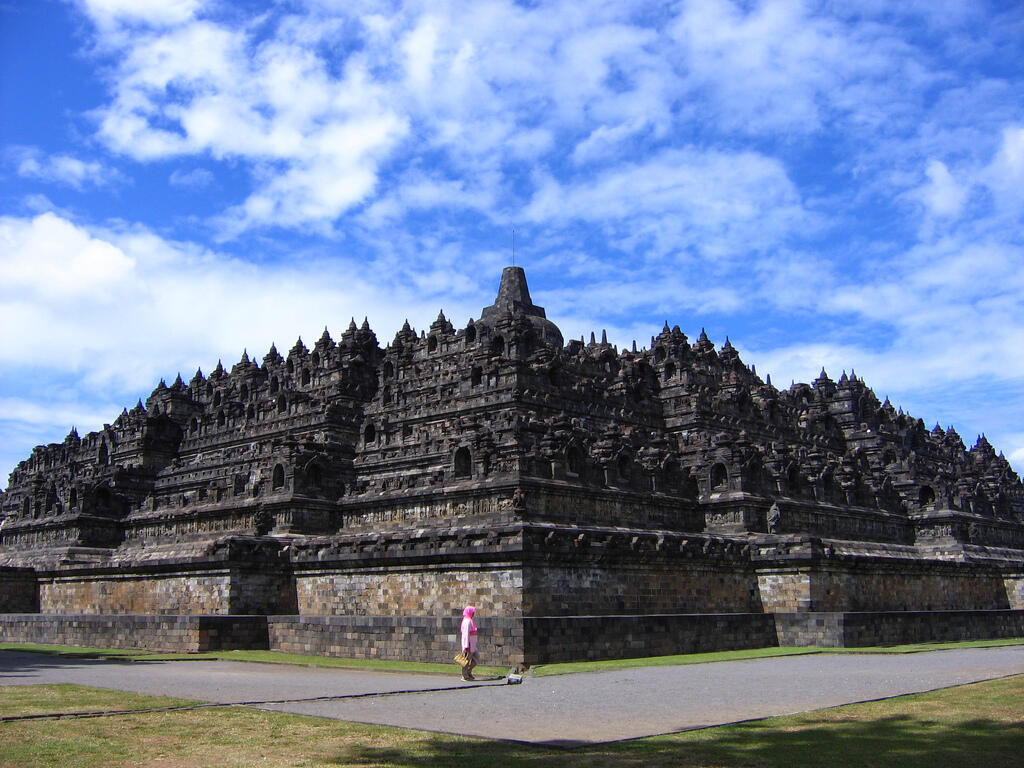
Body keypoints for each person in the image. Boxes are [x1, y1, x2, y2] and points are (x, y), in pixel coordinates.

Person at [459, 604, 478, 680]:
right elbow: (465, 634)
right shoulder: (467, 621)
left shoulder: (470, 620)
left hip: (472, 645)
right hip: (469, 645)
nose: (473, 614)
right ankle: (465, 675)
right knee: (466, 661)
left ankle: (468, 672)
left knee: (476, 659)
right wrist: (466, 646)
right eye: (473, 612)